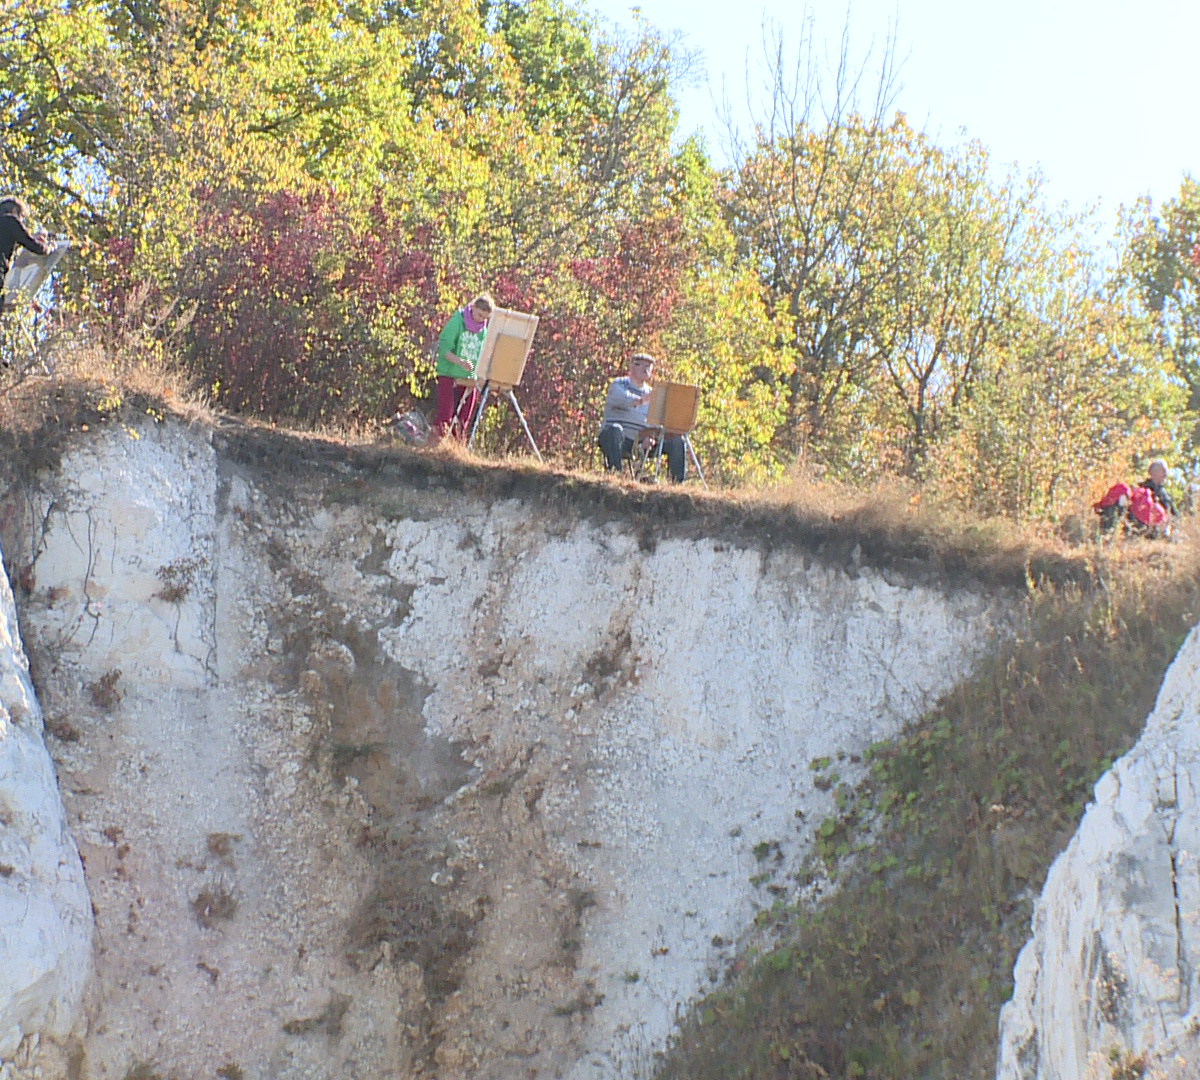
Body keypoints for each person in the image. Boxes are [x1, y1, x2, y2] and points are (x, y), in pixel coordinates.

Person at [597, 352, 685, 482]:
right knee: (615, 430)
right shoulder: (619, 384)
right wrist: (642, 400)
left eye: (649, 366)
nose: (645, 369)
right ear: (632, 367)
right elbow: (621, 399)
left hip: (642, 443)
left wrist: (651, 437)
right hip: (619, 439)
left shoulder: (652, 393)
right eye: (641, 364)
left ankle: (677, 485)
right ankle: (616, 478)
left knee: (677, 441)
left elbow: (657, 423)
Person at [435, 293, 493, 439]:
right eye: (479, 315)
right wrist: (460, 362)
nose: (480, 320)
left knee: (463, 418)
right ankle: (434, 447)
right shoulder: (457, 321)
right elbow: (444, 350)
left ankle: (456, 449)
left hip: (468, 377)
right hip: (448, 372)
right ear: (472, 307)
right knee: (445, 415)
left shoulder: (484, 331)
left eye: (484, 318)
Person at [0, 196, 51, 312]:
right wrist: (48, 248)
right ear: (14, 211)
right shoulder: (10, 220)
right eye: (21, 217)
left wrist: (33, 237)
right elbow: (31, 244)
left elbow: (7, 240)